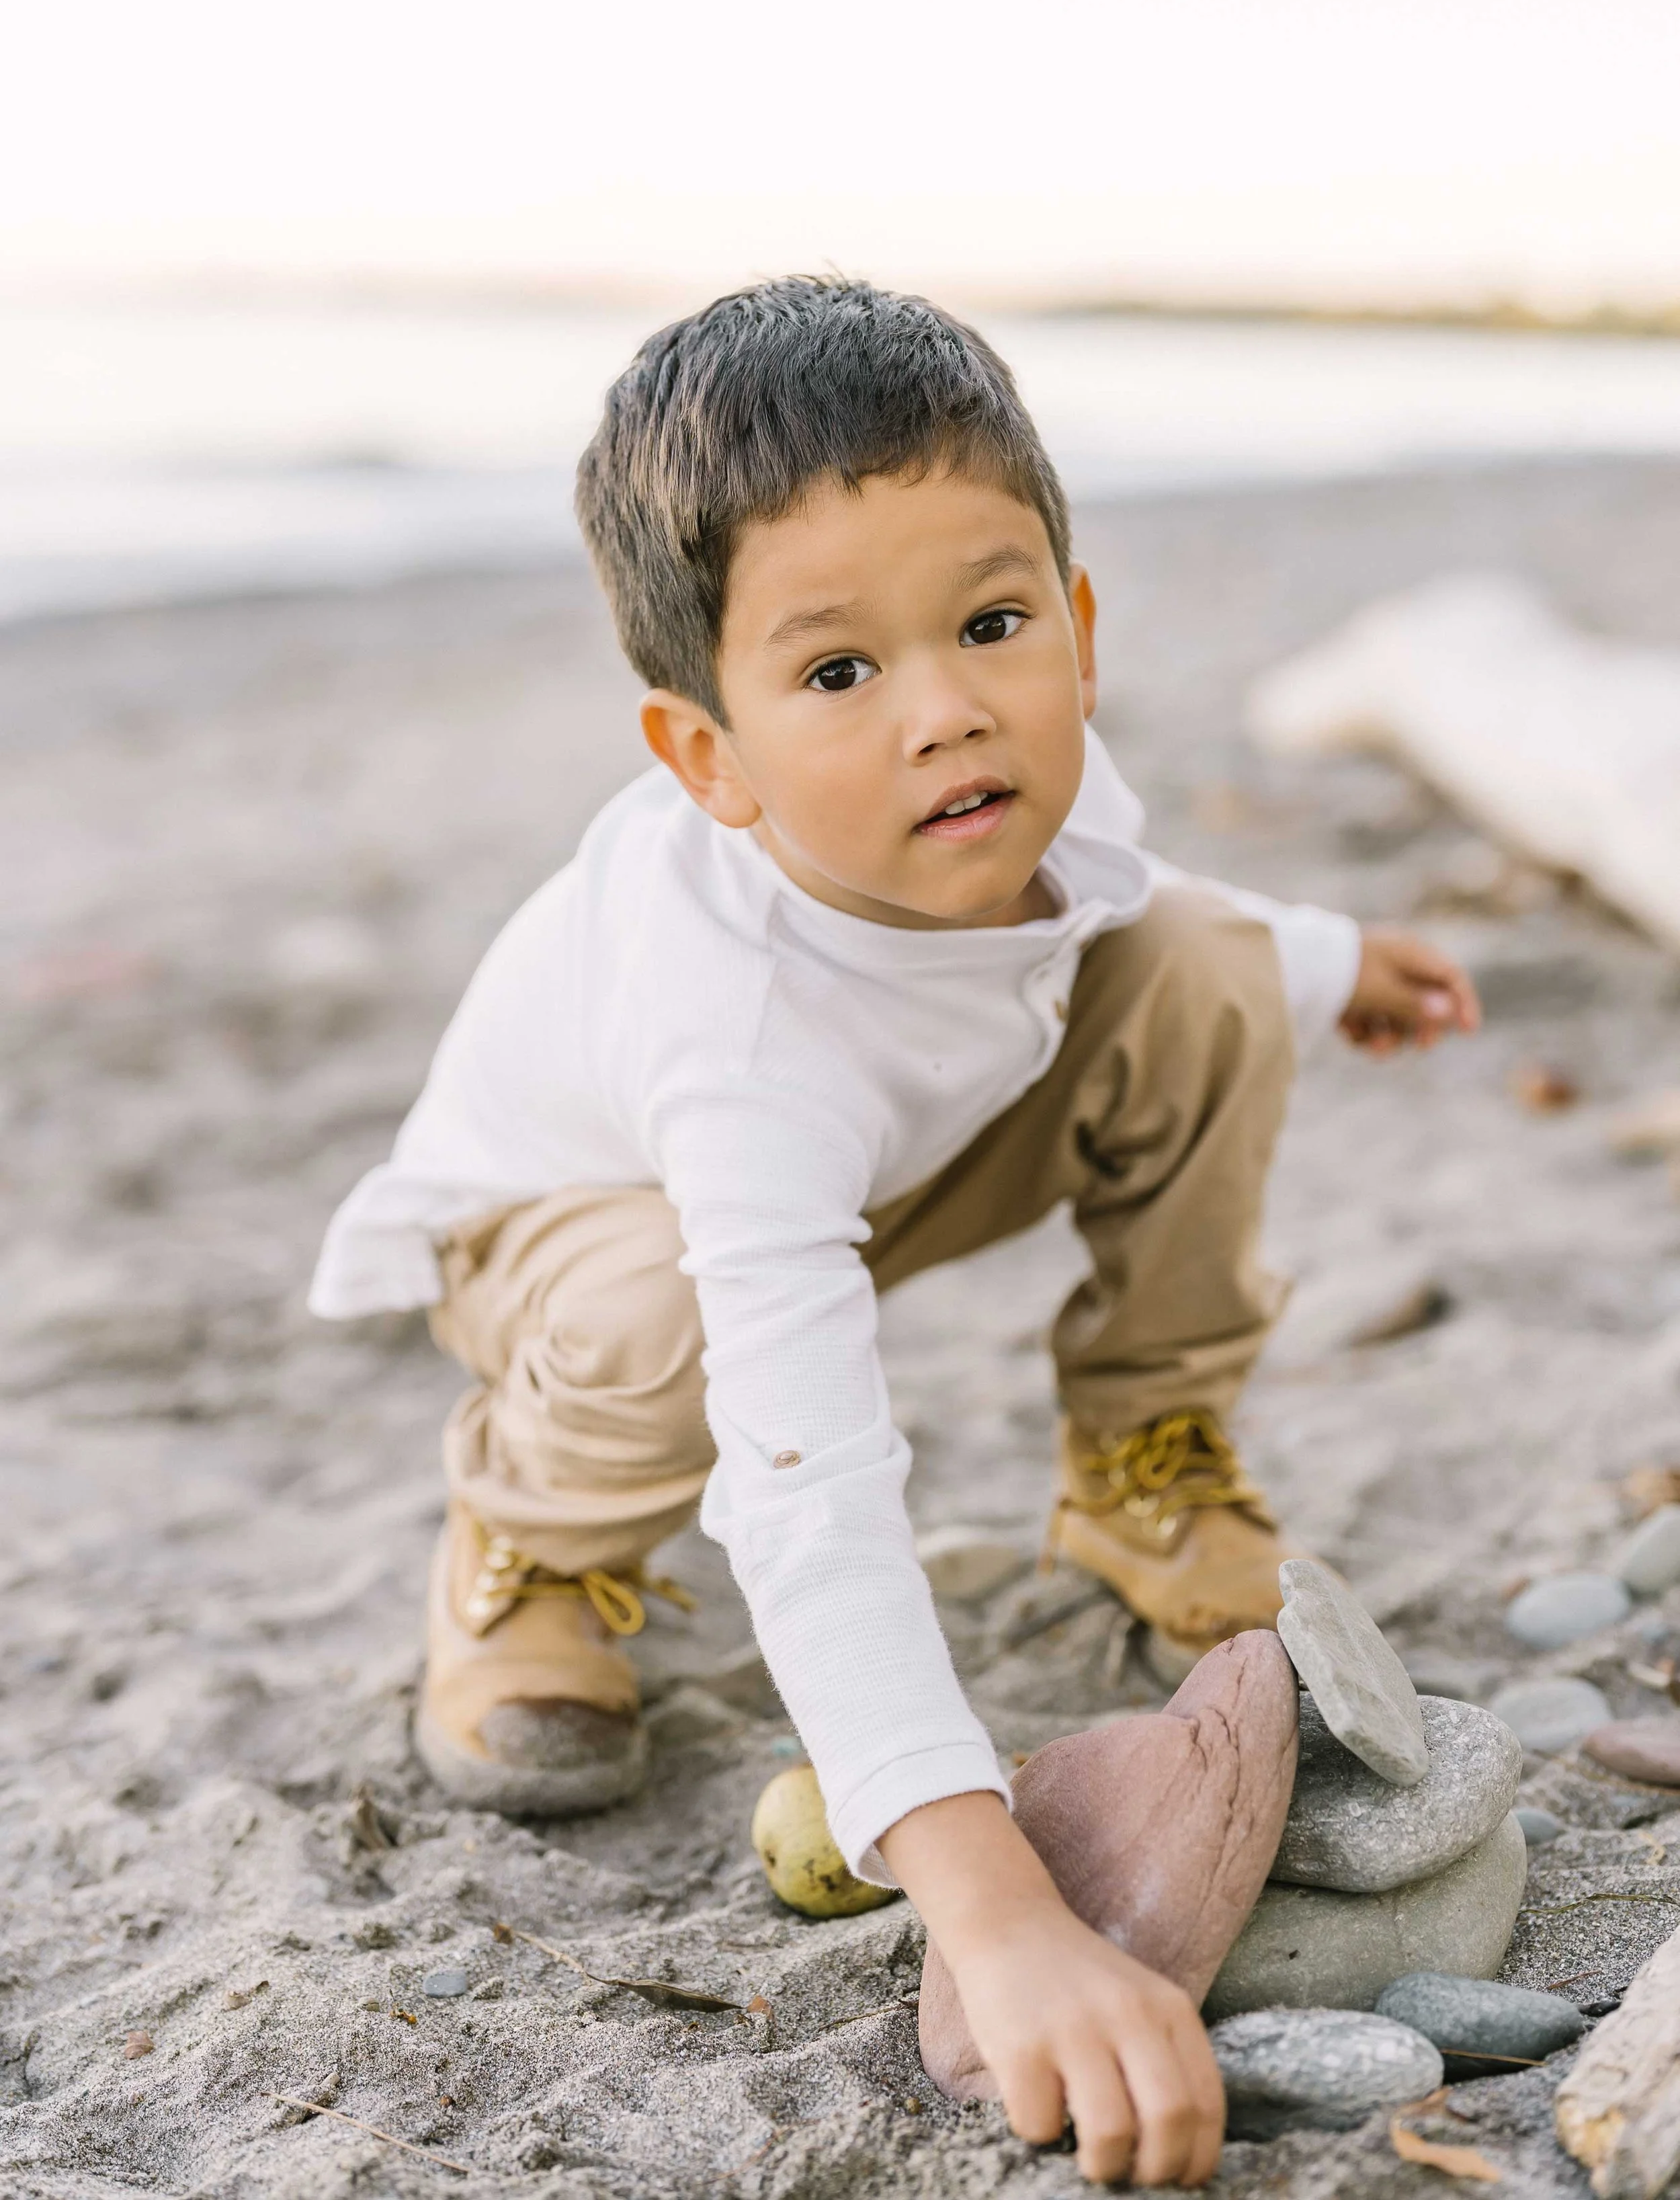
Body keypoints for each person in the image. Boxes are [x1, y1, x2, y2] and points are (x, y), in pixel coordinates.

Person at [310, 276, 1478, 2185]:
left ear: (1075, 628)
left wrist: (1331, 956)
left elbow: (1137, 891)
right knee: (669, 1319)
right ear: (709, 756)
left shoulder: (1018, 774)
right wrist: (993, 1909)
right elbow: (808, 1486)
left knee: (1198, 970)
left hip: (891, 1156)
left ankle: (1143, 1458)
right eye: (839, 671)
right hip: (575, 1240)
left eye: (994, 625)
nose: (948, 707)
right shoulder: (730, 1024)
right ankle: (529, 1543)